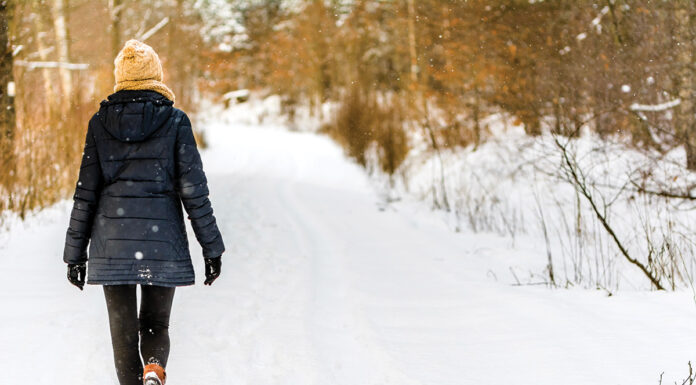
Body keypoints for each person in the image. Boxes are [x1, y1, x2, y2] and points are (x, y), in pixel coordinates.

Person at [62, 39, 225, 385]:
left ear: (120, 77)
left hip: (112, 244)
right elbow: (195, 192)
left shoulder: (99, 123)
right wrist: (212, 248)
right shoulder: (176, 121)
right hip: (161, 242)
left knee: (122, 335)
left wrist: (74, 255)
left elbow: (85, 195)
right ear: (156, 75)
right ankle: (153, 370)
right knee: (155, 323)